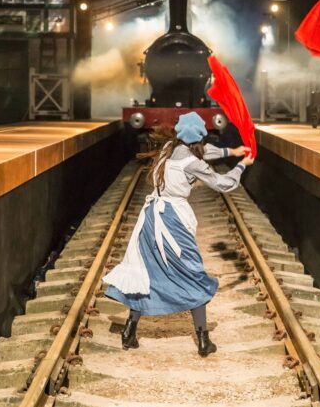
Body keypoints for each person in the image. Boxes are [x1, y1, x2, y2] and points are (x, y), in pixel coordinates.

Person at [103, 111, 254, 357]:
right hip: (173, 221)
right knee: (193, 273)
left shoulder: (168, 149)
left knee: (146, 272)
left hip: (151, 218)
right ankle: (204, 341)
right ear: (199, 137)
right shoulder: (193, 162)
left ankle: (129, 332)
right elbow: (224, 183)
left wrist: (232, 151)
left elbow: (203, 152)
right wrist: (240, 165)